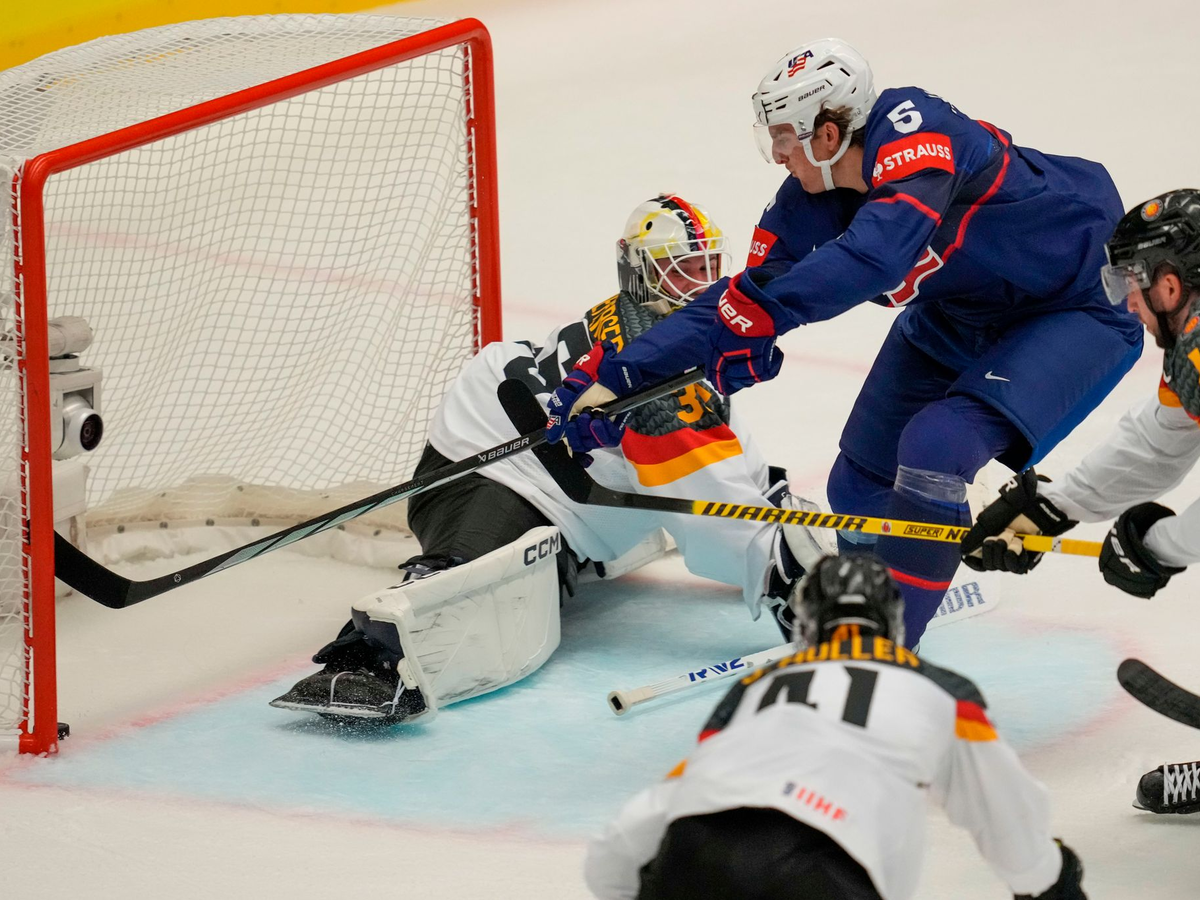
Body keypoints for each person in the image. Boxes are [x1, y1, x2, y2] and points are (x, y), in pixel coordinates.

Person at [545, 38, 1143, 650]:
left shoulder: (919, 131)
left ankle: (880, 657)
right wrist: (623, 377)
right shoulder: (811, 195)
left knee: (936, 447)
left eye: (784, 136)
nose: (777, 153)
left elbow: (872, 259)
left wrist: (760, 317)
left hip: (1079, 306)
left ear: (828, 134)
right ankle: (861, 621)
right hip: (963, 311)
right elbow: (741, 296)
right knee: (857, 484)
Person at [270, 194, 829, 724]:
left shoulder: (664, 332)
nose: (700, 284)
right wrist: (784, 574)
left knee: (609, 533)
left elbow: (726, 458)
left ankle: (574, 553)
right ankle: (368, 659)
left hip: (559, 466)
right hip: (491, 464)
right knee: (473, 578)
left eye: (707, 267)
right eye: (680, 270)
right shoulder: (653, 375)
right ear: (640, 273)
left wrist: (781, 519)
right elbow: (712, 507)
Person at [584, 554, 1086, 900]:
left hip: (694, 855)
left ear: (805, 627)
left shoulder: (754, 688)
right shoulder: (943, 689)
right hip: (828, 869)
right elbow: (1003, 813)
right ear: (893, 625)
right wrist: (1049, 878)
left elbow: (629, 835)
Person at [960, 188, 1200, 815]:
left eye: (1130, 284)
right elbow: (1162, 440)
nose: (1127, 302)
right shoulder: (1193, 344)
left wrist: (1161, 547)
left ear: (1168, 284)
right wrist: (1054, 506)